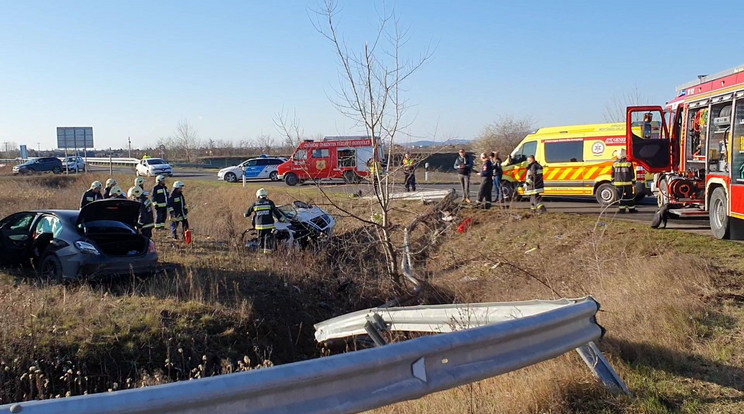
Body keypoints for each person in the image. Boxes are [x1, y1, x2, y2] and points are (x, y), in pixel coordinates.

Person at [245, 188, 283, 253]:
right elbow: (276, 213)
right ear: (266, 195)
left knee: (261, 241)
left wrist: (245, 215)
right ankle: (269, 253)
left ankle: (262, 254)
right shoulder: (270, 203)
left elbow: (247, 213)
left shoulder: (255, 203)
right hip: (269, 226)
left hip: (259, 227)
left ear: (258, 195)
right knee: (268, 240)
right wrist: (281, 219)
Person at [612, 149, 636, 213]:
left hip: (618, 183)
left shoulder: (615, 163)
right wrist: (633, 181)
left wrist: (612, 181)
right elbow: (632, 173)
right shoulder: (629, 163)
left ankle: (622, 210)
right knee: (629, 197)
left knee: (621, 197)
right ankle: (631, 209)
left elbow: (613, 174)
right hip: (628, 183)